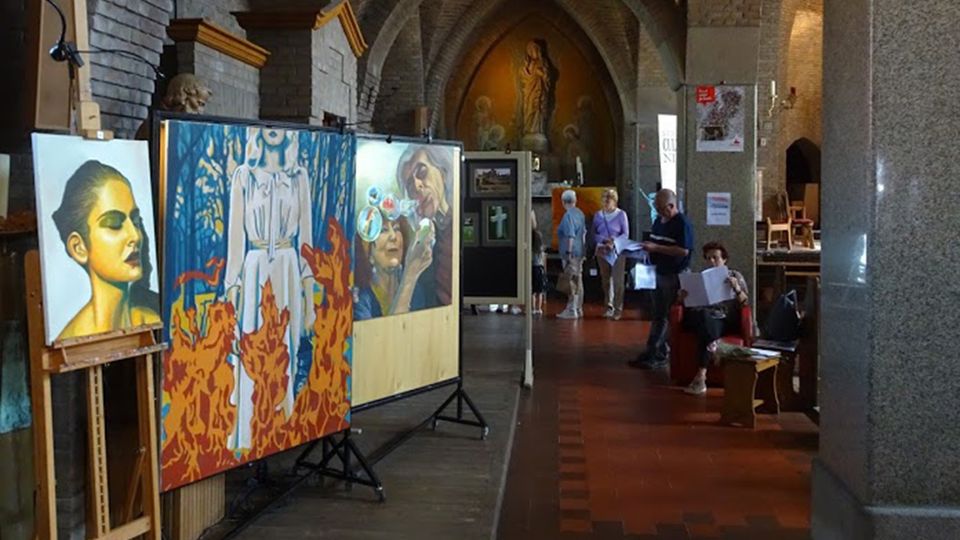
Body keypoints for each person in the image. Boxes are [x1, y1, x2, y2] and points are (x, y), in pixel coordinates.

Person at [224, 127, 315, 450]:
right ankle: (250, 433)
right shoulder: (244, 177)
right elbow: (236, 238)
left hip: (289, 267)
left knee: (286, 350)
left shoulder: (298, 177)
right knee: (252, 346)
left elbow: (306, 239)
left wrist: (309, 291)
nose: (274, 133)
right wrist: (232, 284)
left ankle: (283, 428)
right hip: (254, 266)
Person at [52, 160, 160, 340]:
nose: (135, 236)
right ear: (78, 247)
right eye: (114, 224)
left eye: (135, 221)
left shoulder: (150, 319)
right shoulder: (72, 340)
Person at [629, 189, 693, 369]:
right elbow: (655, 242)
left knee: (666, 315)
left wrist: (656, 248)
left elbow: (683, 250)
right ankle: (652, 350)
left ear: (671, 206)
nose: (657, 212)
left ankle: (659, 352)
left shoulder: (682, 223)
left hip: (674, 275)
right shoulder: (658, 221)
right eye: (656, 208)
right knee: (657, 314)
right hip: (658, 272)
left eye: (660, 208)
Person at [681, 241, 750, 395]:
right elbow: (687, 304)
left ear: (724, 259)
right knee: (704, 318)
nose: (712, 261)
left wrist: (736, 288)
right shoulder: (701, 278)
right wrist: (682, 297)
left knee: (706, 327)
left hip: (723, 318)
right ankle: (713, 346)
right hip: (703, 316)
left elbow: (746, 303)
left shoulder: (735, 275)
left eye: (715, 258)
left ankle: (700, 377)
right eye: (708, 258)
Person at [354, 203, 433, 320]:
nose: (393, 236)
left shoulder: (416, 290)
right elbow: (383, 336)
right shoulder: (360, 298)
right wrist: (409, 276)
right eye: (383, 230)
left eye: (396, 228)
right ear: (368, 251)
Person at [398, 145, 454, 308]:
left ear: (443, 173)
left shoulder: (457, 225)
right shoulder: (421, 240)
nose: (416, 186)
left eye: (422, 172)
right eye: (409, 184)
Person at [592, 188, 629, 320]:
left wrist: (613, 242)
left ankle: (618, 308)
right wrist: (602, 241)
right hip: (602, 251)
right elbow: (594, 233)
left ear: (615, 201)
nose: (606, 202)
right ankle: (608, 305)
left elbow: (625, 234)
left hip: (617, 251)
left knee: (618, 281)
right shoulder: (598, 215)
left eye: (609, 200)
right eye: (604, 200)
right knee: (605, 279)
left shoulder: (621, 215)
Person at [556, 189, 586, 319]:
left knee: (570, 281)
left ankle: (571, 309)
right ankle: (578, 308)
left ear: (563, 202)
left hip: (571, 253)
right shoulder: (580, 213)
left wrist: (568, 253)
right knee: (578, 280)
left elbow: (570, 235)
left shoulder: (568, 215)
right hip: (580, 252)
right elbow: (583, 234)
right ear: (575, 200)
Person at [531, 228, 546, 316]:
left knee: (532, 291)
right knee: (539, 291)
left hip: (533, 268)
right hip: (540, 269)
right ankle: (539, 308)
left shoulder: (531, 249)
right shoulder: (541, 250)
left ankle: (532, 308)